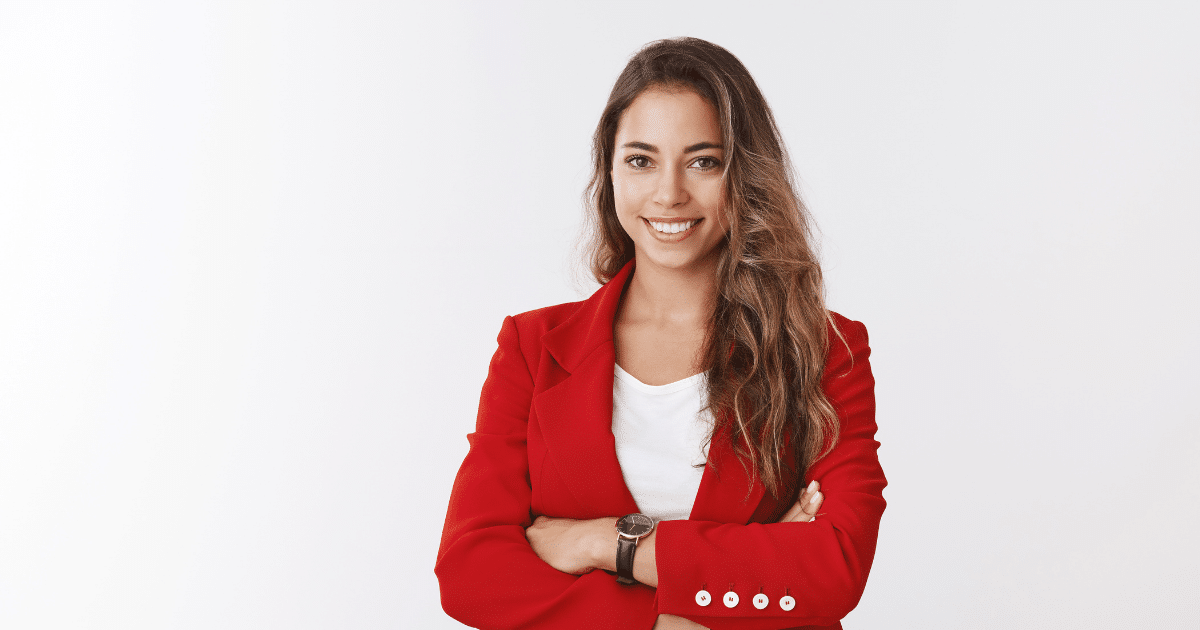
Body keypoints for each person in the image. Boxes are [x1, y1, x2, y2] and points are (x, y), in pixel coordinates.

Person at [435, 37, 886, 630]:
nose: (669, 192)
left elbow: (834, 567)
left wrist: (606, 544)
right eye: (641, 160)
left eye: (704, 160)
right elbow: (470, 572)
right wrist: (669, 617)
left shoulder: (824, 349)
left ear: (744, 174)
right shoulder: (532, 346)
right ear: (610, 173)